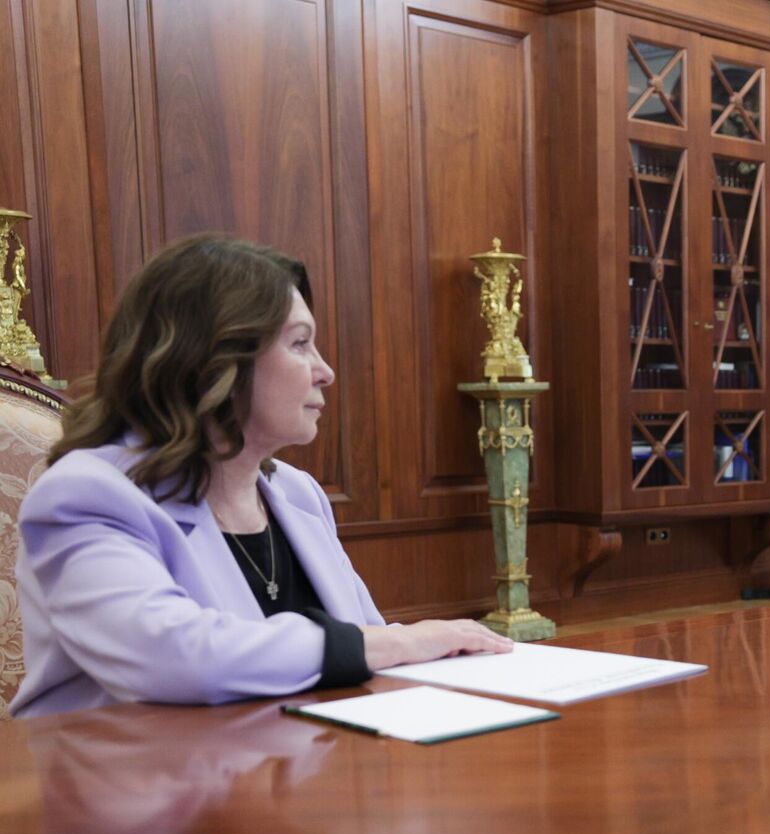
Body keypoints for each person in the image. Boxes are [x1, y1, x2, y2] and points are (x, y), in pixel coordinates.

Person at [9, 234, 511, 718]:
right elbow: (174, 658)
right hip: (133, 772)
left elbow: (365, 648)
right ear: (215, 361)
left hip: (304, 764)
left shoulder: (297, 494)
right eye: (300, 344)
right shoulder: (87, 496)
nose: (325, 371)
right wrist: (399, 641)